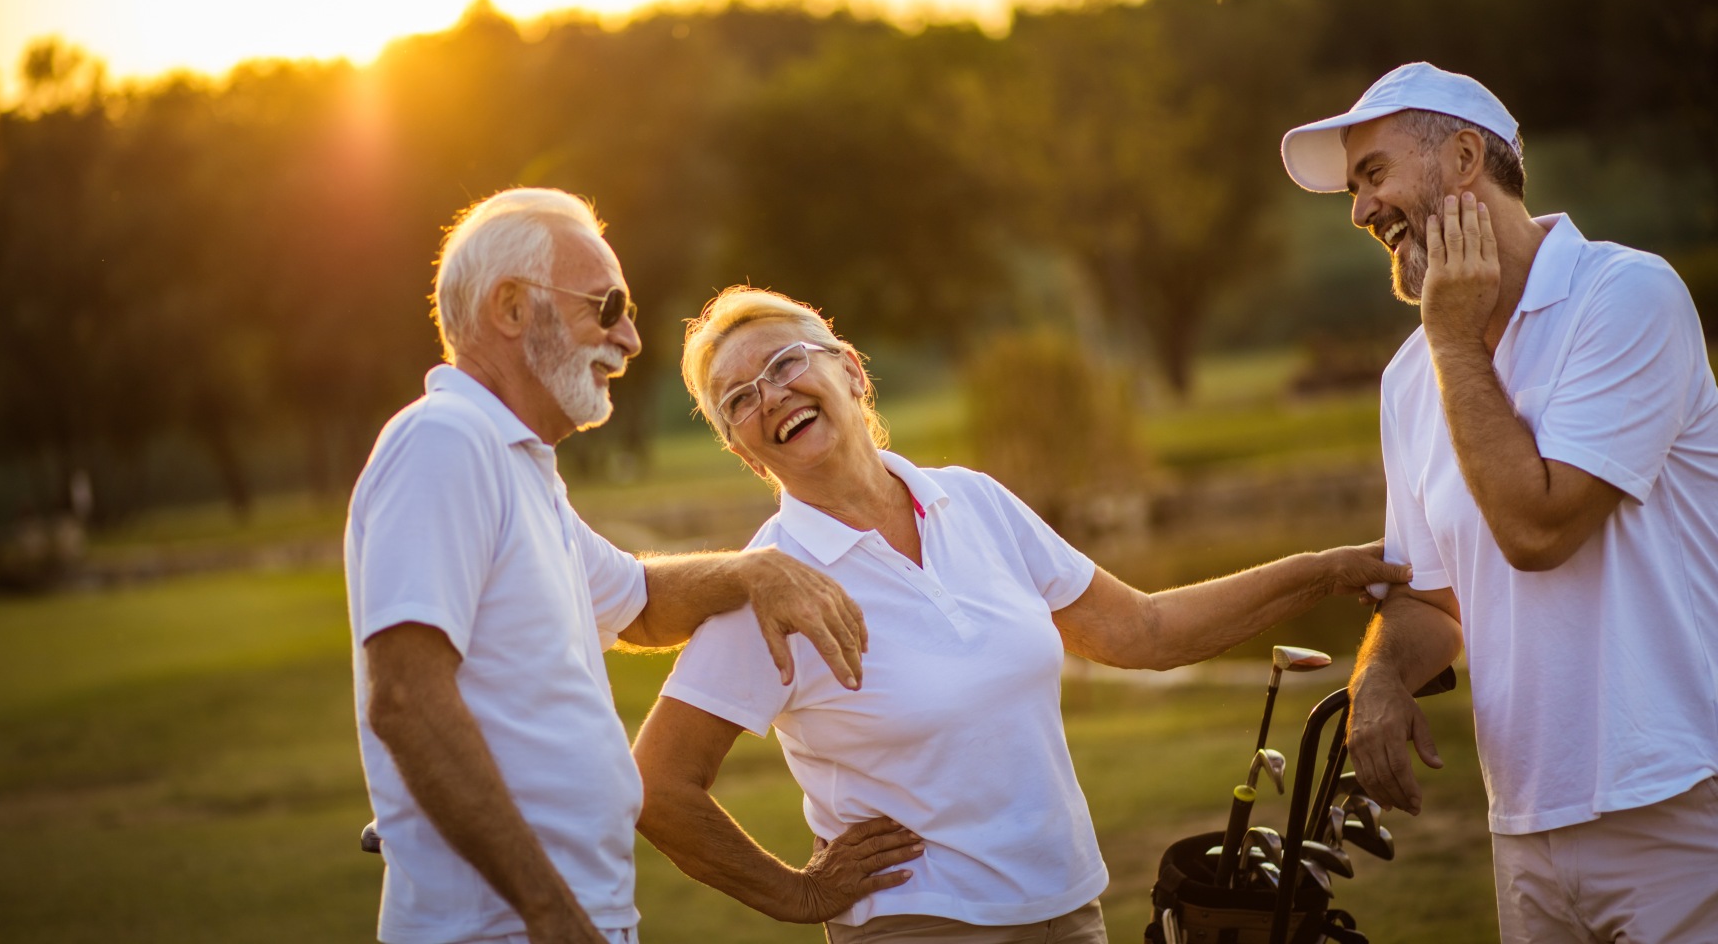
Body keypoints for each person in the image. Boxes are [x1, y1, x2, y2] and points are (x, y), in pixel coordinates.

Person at [629, 287, 1410, 943]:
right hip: (921, 924)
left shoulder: (973, 501)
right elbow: (659, 785)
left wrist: (1325, 572)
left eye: (784, 362)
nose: (769, 395)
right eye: (738, 399)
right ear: (741, 448)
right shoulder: (771, 589)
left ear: (852, 371)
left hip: (1067, 907)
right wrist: (797, 895)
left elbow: (1143, 632)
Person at [345, 189, 872, 944]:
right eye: (607, 305)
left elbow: (641, 604)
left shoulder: (519, 470)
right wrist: (553, 917)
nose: (628, 337)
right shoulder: (445, 442)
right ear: (512, 308)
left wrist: (759, 573)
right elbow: (403, 697)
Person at [1282, 62, 1718, 941]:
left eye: (1373, 175)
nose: (1360, 212)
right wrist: (1376, 679)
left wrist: (1449, 335)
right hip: (1524, 827)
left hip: (1676, 805)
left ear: (1467, 156)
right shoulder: (1412, 378)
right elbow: (1433, 599)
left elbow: (1536, 527)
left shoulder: (1626, 295)